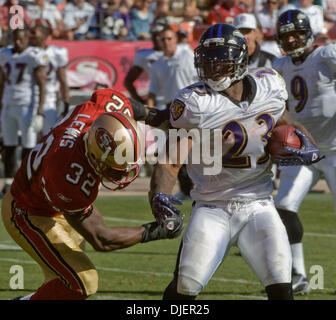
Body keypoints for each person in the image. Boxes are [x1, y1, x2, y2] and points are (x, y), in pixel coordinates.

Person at [148, 23, 323, 300]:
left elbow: (286, 121)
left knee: (281, 286)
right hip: (212, 206)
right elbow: (170, 160)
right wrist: (158, 194)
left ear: (240, 60)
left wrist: (308, 146)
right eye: (208, 61)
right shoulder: (196, 102)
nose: (213, 68)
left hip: (260, 203)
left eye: (221, 61)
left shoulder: (270, 85)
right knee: (186, 287)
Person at [1, 88, 183, 300]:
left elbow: (125, 104)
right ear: (93, 157)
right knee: (82, 282)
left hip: (55, 200)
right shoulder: (67, 174)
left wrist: (159, 117)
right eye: (114, 168)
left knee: (63, 282)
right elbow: (101, 238)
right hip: (28, 211)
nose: (123, 173)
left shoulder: (100, 113)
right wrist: (157, 230)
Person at [272, 9, 336, 294]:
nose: (292, 39)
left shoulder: (326, 55)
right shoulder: (279, 65)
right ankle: (298, 275)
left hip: (335, 148)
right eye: (286, 35)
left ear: (308, 32)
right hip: (302, 149)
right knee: (284, 206)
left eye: (296, 33)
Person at [148, 26, 198, 201]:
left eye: (169, 38)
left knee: (202, 149)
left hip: (195, 104)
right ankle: (187, 190)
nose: (166, 42)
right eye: (163, 39)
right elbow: (153, 91)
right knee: (176, 151)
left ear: (176, 39)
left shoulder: (188, 56)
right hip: (172, 109)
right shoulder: (158, 64)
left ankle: (202, 188)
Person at [0, 28, 47, 198]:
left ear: (27, 39)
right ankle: (8, 183)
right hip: (8, 104)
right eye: (16, 39)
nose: (18, 43)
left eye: (21, 39)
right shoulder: (4, 53)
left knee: (28, 146)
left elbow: (42, 84)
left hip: (26, 105)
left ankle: (28, 184)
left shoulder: (33, 55)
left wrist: (40, 112)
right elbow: (2, 81)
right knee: (9, 146)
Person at [29, 21, 70, 135]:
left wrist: (65, 102)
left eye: (34, 33)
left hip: (48, 100)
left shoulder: (56, 52)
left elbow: (63, 81)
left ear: (44, 36)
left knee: (49, 137)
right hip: (27, 99)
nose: (30, 35)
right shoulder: (26, 52)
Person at [123, 21, 166, 105]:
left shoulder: (181, 53)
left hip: (177, 98)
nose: (157, 38)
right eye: (154, 35)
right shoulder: (144, 55)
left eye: (160, 35)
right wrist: (140, 102)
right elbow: (128, 82)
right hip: (157, 101)